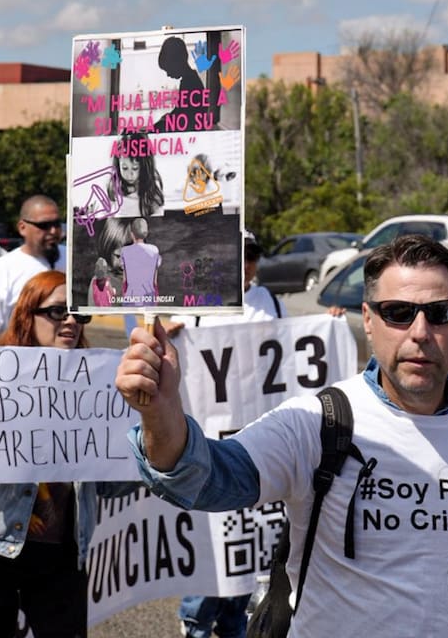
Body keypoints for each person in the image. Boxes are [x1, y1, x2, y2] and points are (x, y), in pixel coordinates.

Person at [115, 234, 448, 637]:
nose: (420, 331)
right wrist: (160, 412)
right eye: (398, 312)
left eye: (440, 312)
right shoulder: (318, 422)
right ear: (368, 319)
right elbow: (203, 477)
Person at [0, 270, 126, 638]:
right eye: (57, 312)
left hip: (62, 558)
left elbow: (113, 487)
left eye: (79, 313)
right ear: (27, 314)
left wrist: (143, 431)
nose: (70, 321)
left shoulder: (97, 386)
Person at [166, 229, 286, 638]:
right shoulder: (196, 301)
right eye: (239, 254)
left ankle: (235, 620)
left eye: (252, 255)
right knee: (210, 532)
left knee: (245, 537)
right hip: (210, 438)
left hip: (257, 439)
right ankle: (196, 620)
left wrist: (331, 326)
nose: (246, 263)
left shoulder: (270, 301)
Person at [0, 195, 66, 344]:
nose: (53, 231)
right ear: (22, 228)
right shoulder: (2, 269)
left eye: (57, 224)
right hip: (20, 361)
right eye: (44, 225)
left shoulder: (73, 259)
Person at [106, 135, 165, 218]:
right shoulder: (114, 188)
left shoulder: (152, 193)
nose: (130, 174)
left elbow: (158, 221)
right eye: (125, 168)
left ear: (144, 166)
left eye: (135, 168)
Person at [120, 218, 160, 307]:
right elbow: (155, 281)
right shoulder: (154, 250)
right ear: (146, 233)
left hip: (131, 297)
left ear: (132, 234)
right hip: (149, 297)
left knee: (131, 321)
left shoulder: (124, 251)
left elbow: (125, 280)